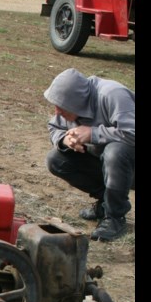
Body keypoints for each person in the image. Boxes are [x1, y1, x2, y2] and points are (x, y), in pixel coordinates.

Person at [43, 68, 135, 242]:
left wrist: (92, 133)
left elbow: (132, 132)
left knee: (115, 151)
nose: (57, 111)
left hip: (130, 165)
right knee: (55, 159)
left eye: (61, 106)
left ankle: (115, 217)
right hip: (108, 165)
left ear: (78, 101)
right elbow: (54, 127)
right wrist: (65, 140)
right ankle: (105, 203)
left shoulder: (113, 95)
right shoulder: (71, 104)